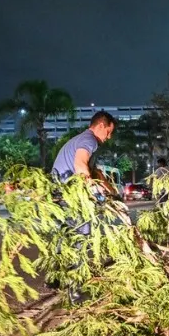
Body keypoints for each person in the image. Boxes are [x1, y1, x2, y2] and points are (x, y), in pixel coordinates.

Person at [48, 111, 116, 299]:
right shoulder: (90, 140)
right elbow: (80, 165)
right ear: (101, 125)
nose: (108, 137)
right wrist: (95, 193)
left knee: (62, 237)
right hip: (71, 197)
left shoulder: (79, 140)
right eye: (109, 132)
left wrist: (110, 191)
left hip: (57, 196)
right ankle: (76, 291)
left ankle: (53, 278)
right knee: (81, 238)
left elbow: (94, 171)